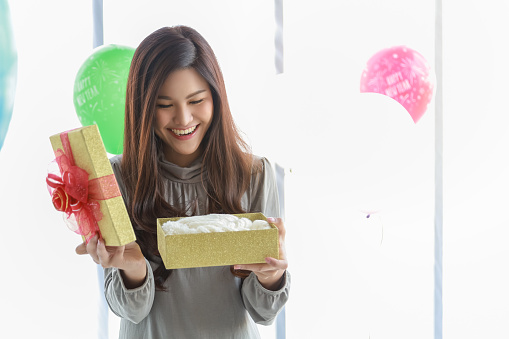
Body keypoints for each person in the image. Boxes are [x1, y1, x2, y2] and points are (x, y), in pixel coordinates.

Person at [75, 25, 290, 339]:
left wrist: (271, 276)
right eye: (164, 105)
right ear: (143, 107)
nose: (184, 119)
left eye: (196, 100)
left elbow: (263, 313)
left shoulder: (254, 174)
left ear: (216, 97)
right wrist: (133, 269)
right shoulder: (118, 178)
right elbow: (131, 311)